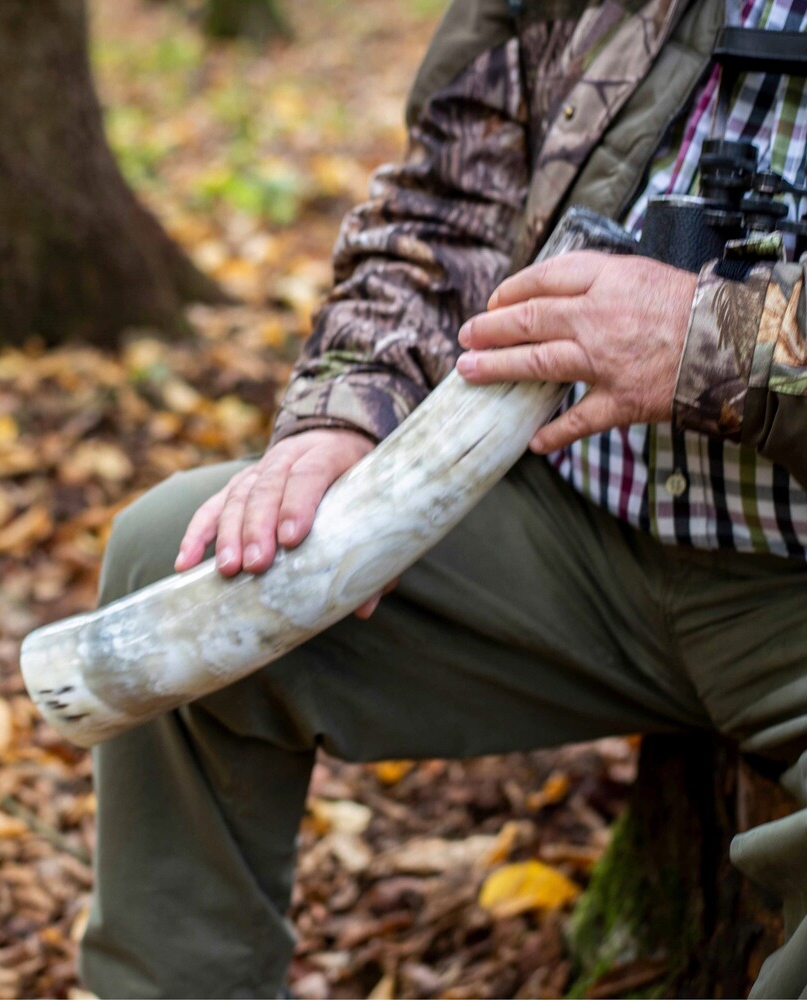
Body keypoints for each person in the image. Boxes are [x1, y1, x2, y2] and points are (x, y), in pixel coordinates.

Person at [79, 0, 807, 994]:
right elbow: (446, 200)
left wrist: (723, 338)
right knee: (178, 571)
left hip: (790, 582)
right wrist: (345, 414)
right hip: (575, 527)